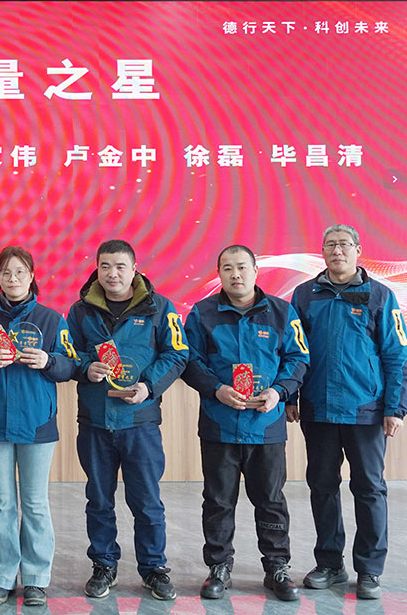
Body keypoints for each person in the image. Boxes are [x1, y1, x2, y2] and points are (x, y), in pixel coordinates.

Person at [288, 224, 407, 600]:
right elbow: (292, 352)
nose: (337, 250)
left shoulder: (380, 295)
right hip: (318, 410)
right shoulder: (304, 295)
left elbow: (397, 355)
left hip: (366, 411)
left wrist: (395, 408)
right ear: (322, 252)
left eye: (344, 244)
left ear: (358, 250)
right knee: (322, 487)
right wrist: (291, 396)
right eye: (330, 245)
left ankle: (370, 569)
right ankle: (329, 563)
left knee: (369, 489)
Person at [181, 245, 309, 601]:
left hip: (266, 426)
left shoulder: (282, 312)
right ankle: (219, 567)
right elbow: (190, 361)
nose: (235, 274)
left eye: (241, 267)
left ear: (255, 270)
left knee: (270, 500)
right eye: (227, 268)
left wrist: (279, 392)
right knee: (218, 500)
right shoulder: (202, 314)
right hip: (219, 424)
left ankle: (276, 567)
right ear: (219, 274)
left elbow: (298, 358)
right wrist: (216, 389)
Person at [67, 239, 189, 601]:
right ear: (97, 269)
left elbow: (177, 354)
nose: (112, 273)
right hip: (95, 421)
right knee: (98, 499)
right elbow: (67, 352)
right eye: (105, 266)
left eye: (120, 266)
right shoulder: (80, 311)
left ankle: (153, 568)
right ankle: (104, 565)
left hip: (140, 422)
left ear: (134, 269)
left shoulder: (159, 308)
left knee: (147, 501)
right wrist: (85, 367)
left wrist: (149, 387)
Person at [0, 246, 79, 606]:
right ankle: (1, 577)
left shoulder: (51, 319)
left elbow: (70, 366)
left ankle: (37, 578)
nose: (13, 279)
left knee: (36, 502)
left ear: (32, 277)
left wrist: (48, 360)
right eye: (6, 273)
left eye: (20, 272)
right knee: (1, 504)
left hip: (37, 423)